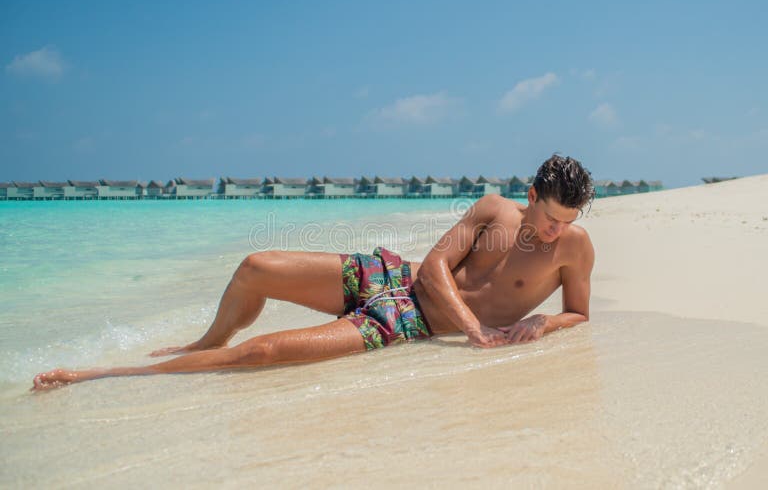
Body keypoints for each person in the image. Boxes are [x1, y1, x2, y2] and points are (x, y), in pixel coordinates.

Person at [32, 154, 595, 390]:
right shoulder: (494, 209)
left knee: (264, 354)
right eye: (549, 218)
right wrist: (473, 329)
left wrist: (544, 325)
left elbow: (578, 312)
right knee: (256, 266)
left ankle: (102, 375)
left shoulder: (574, 248)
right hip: (392, 280)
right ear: (531, 197)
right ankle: (206, 338)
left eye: (565, 221)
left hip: (407, 323)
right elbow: (432, 267)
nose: (554, 232)